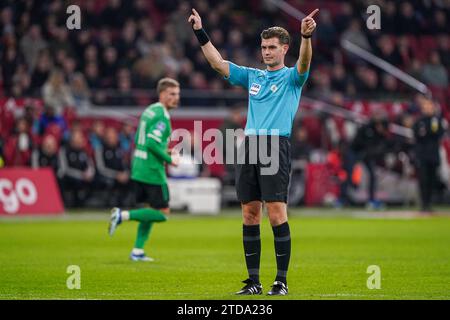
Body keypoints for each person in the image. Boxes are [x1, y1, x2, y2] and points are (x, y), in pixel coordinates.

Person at [188, 7, 318, 295]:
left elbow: (305, 62)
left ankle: (281, 281)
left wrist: (306, 37)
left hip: (275, 145)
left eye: (272, 47)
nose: (267, 52)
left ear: (285, 49)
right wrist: (200, 31)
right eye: (264, 47)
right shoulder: (252, 77)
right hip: (249, 146)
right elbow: (218, 64)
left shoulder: (292, 78)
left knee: (276, 213)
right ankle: (253, 281)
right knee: (249, 213)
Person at [108, 78, 181, 262]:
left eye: (177, 94)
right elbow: (151, 142)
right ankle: (121, 215)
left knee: (149, 211)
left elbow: (148, 140)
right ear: (162, 94)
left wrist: (166, 150)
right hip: (152, 170)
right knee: (163, 214)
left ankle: (137, 251)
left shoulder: (150, 110)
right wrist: (169, 159)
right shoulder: (162, 116)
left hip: (139, 167)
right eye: (172, 94)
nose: (176, 98)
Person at [337, 116, 390, 209]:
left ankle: (371, 200)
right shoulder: (366, 128)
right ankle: (342, 199)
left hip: (366, 154)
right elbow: (358, 142)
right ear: (379, 125)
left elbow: (380, 149)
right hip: (354, 151)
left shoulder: (381, 135)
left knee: (373, 175)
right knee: (347, 173)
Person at [412, 98, 447, 213]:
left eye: (430, 106)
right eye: (426, 106)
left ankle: (429, 203)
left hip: (433, 154)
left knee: (432, 180)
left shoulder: (437, 120)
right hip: (422, 155)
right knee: (423, 179)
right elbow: (417, 135)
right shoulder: (419, 121)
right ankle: (423, 204)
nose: (428, 108)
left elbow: (440, 134)